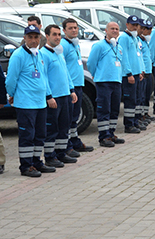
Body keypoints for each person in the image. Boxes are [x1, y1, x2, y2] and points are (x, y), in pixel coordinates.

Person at [6, 24, 57, 177]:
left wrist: (48, 96)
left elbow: (44, 78)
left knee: (40, 134)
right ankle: (26, 166)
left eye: (36, 37)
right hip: (25, 103)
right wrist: (12, 94)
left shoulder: (39, 54)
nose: (34, 40)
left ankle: (36, 162)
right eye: (30, 37)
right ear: (24, 38)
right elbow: (11, 79)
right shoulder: (18, 55)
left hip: (40, 103)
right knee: (27, 135)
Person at [40, 24, 78, 167]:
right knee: (52, 128)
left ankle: (61, 153)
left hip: (65, 96)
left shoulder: (59, 52)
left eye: (58, 35)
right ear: (47, 36)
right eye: (54, 35)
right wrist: (49, 96)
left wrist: (71, 90)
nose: (57, 37)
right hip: (54, 98)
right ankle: (50, 156)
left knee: (64, 126)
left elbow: (66, 73)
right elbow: (43, 77)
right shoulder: (43, 54)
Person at [86, 22, 124, 148]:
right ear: (106, 31)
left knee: (114, 110)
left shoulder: (118, 47)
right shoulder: (99, 46)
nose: (114, 31)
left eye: (117, 29)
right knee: (104, 109)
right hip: (104, 82)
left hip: (116, 82)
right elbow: (91, 62)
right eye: (112, 29)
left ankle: (111, 133)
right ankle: (103, 136)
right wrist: (96, 75)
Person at [62, 18, 93, 153]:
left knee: (75, 117)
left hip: (78, 84)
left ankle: (75, 141)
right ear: (64, 30)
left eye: (75, 27)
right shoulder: (63, 45)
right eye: (70, 28)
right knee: (69, 118)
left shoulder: (75, 44)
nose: (74, 30)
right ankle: (67, 145)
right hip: (70, 86)